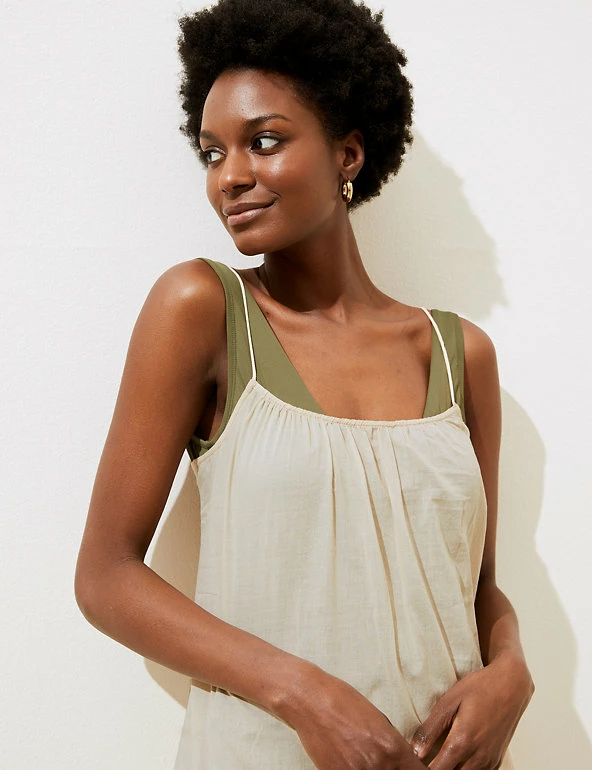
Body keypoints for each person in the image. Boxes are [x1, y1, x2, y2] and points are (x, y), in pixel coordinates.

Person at [75, 0, 534, 767]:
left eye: (264, 141)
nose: (231, 177)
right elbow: (105, 577)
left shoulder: (460, 355)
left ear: (348, 153)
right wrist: (304, 694)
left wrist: (513, 670)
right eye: (212, 153)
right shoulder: (202, 309)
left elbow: (477, 584)